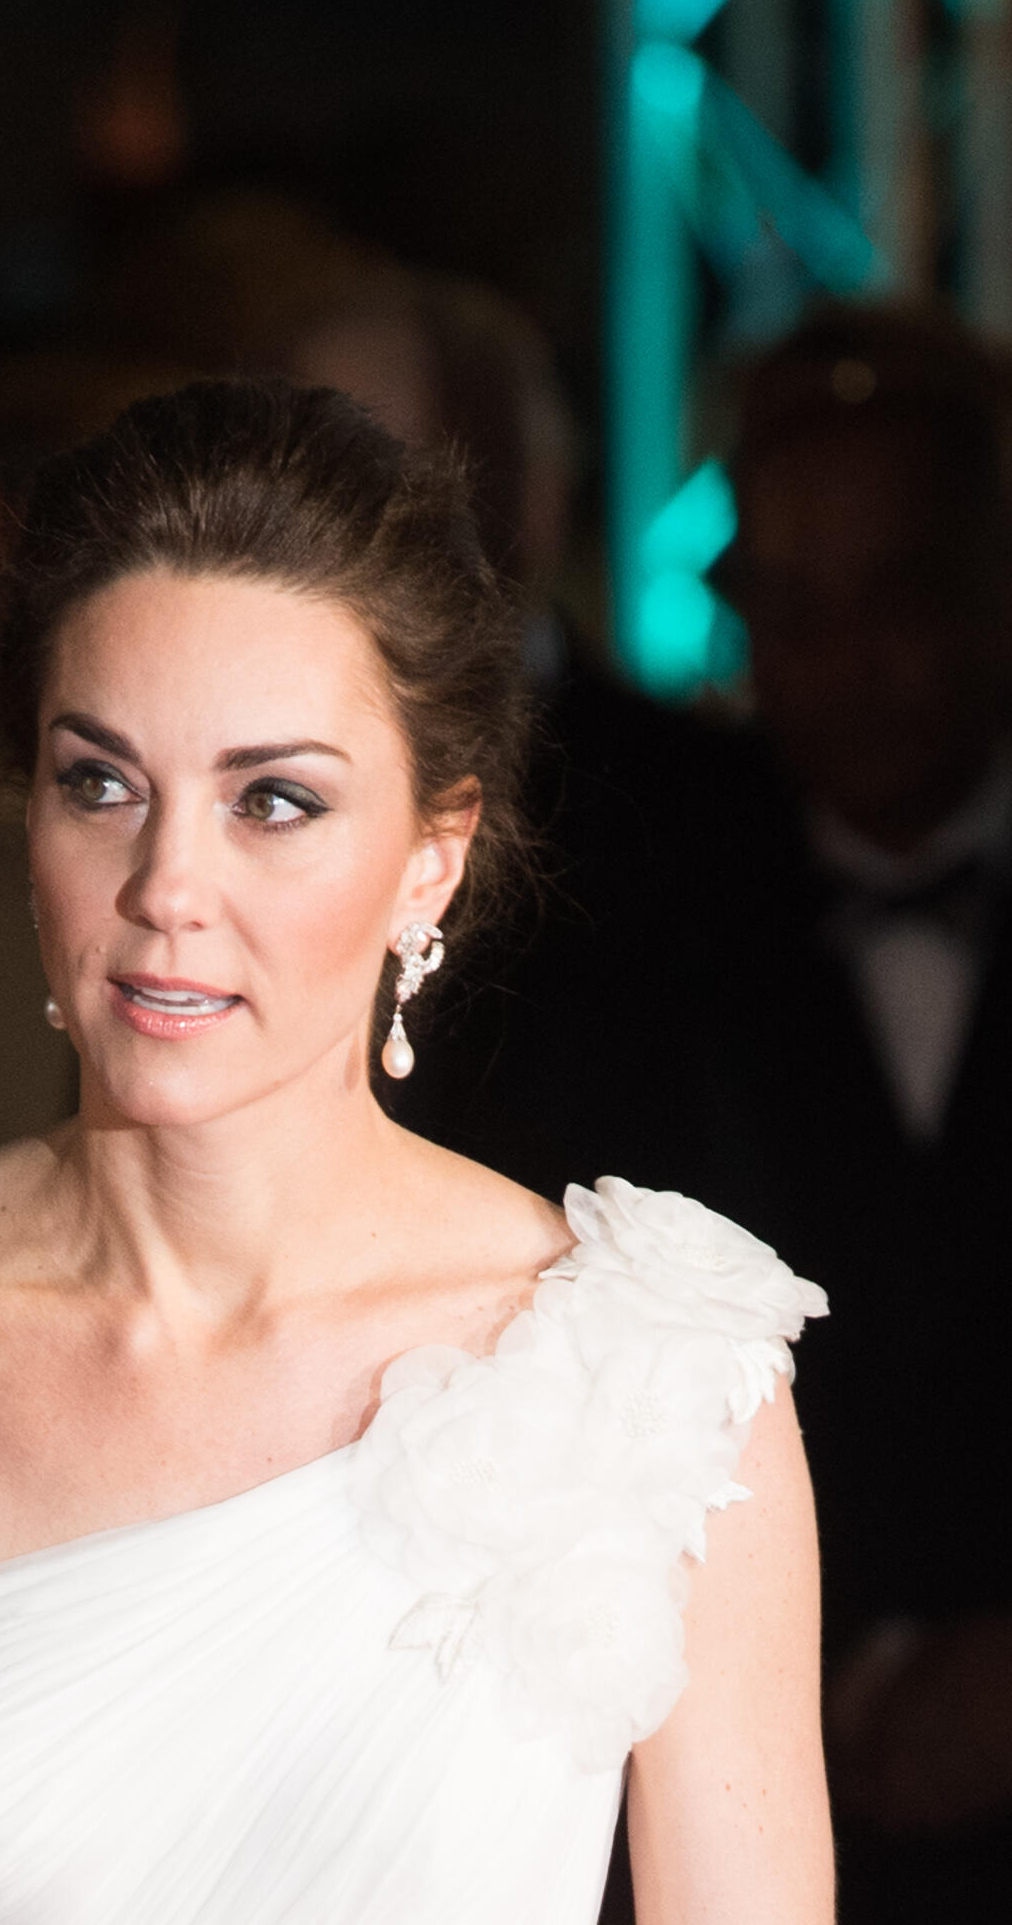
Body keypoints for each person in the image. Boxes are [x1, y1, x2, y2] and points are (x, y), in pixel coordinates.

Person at [0, 381, 832, 1924]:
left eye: (273, 801)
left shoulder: (652, 1368)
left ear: (433, 859)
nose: (168, 884)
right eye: (101, 783)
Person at [417, 305, 1012, 1914]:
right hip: (719, 1772)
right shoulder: (627, 934)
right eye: (791, 609)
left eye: (900, 594)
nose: (849, 661)